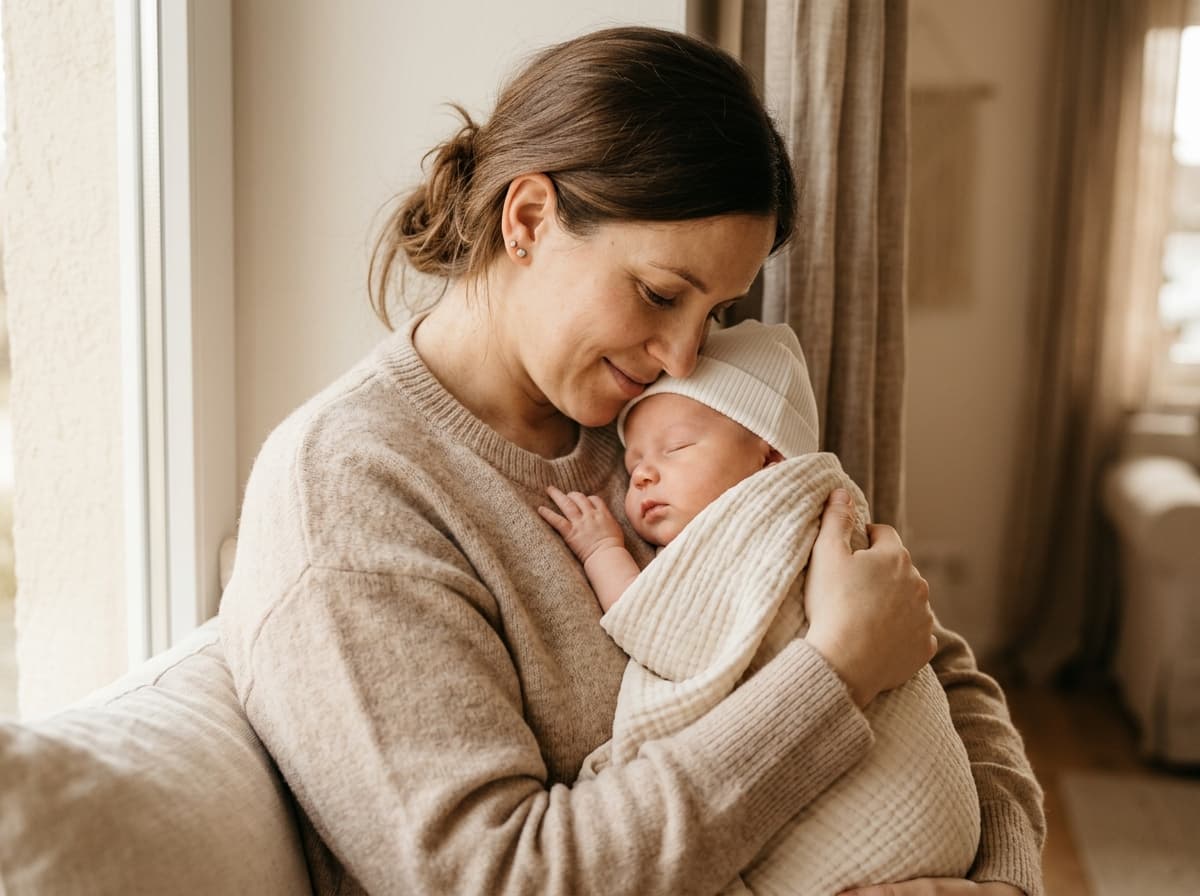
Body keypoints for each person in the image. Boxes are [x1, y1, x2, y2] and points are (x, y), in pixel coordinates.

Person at [218, 26, 1044, 896]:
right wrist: (831, 677)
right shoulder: (352, 490)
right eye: (659, 294)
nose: (686, 357)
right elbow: (499, 877)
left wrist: (1004, 879)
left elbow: (930, 659)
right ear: (528, 218)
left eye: (717, 310)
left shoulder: (670, 419)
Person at [541, 319, 983, 894]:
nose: (642, 472)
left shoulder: (781, 520)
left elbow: (668, 627)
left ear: (769, 460)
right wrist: (847, 660)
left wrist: (604, 550)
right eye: (632, 466)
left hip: (913, 808)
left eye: (675, 449)